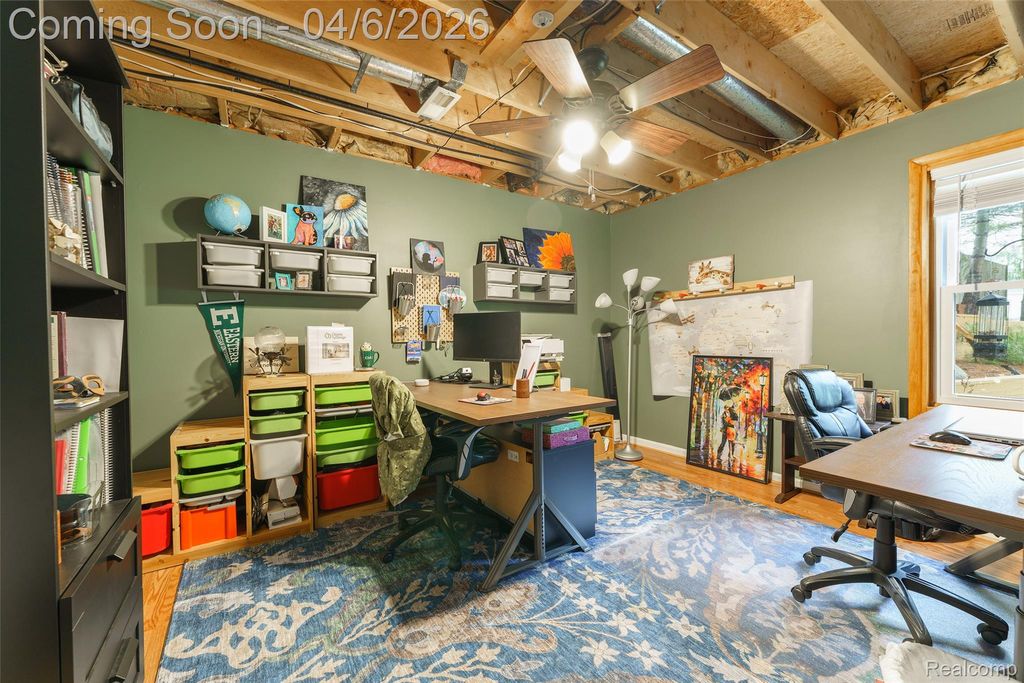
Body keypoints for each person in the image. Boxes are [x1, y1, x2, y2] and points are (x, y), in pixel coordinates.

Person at [716, 403, 738, 469]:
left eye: (728, 408)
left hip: (730, 430)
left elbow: (735, 419)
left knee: (732, 443)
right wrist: (727, 423)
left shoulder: (732, 413)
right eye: (726, 408)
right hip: (725, 431)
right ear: (725, 409)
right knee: (723, 443)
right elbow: (724, 423)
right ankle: (718, 456)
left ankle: (730, 455)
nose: (727, 409)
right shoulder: (723, 415)